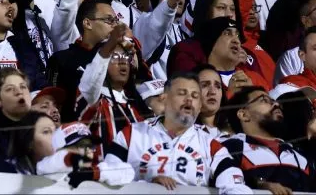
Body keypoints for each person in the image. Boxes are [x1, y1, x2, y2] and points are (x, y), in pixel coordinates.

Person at [102, 72, 251, 193]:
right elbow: (108, 175)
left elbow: (235, 184)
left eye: (195, 96)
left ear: (200, 106)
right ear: (164, 99)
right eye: (182, 93)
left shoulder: (211, 146)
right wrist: (147, 185)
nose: (189, 100)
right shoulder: (132, 134)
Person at [222, 87, 316, 193]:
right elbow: (219, 179)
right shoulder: (229, 149)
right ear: (244, 115)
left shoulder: (300, 155)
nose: (276, 104)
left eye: (274, 101)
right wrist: (259, 185)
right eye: (264, 100)